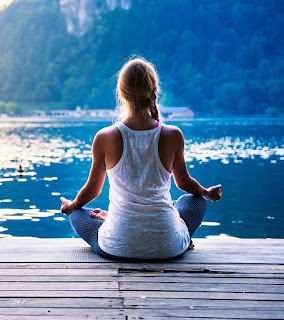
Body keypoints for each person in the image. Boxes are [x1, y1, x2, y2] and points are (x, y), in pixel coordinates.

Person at [60, 57, 222, 261]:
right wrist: (206, 193)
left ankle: (113, 222)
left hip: (118, 247)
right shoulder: (173, 135)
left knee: (77, 213)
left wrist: (71, 205)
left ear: (121, 94)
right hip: (167, 247)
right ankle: (176, 237)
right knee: (195, 201)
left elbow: (92, 191)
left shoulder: (104, 137)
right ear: (155, 92)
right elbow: (184, 183)